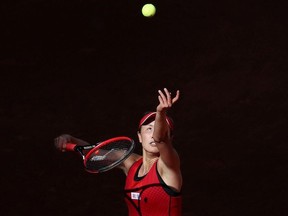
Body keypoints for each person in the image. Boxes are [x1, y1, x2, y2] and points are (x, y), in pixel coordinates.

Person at [54, 88, 182, 216]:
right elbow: (94, 154)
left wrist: (161, 112)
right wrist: (71, 140)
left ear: (170, 138)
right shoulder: (131, 163)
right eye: (149, 129)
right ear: (139, 137)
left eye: (161, 129)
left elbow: (160, 140)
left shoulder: (169, 165)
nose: (154, 134)